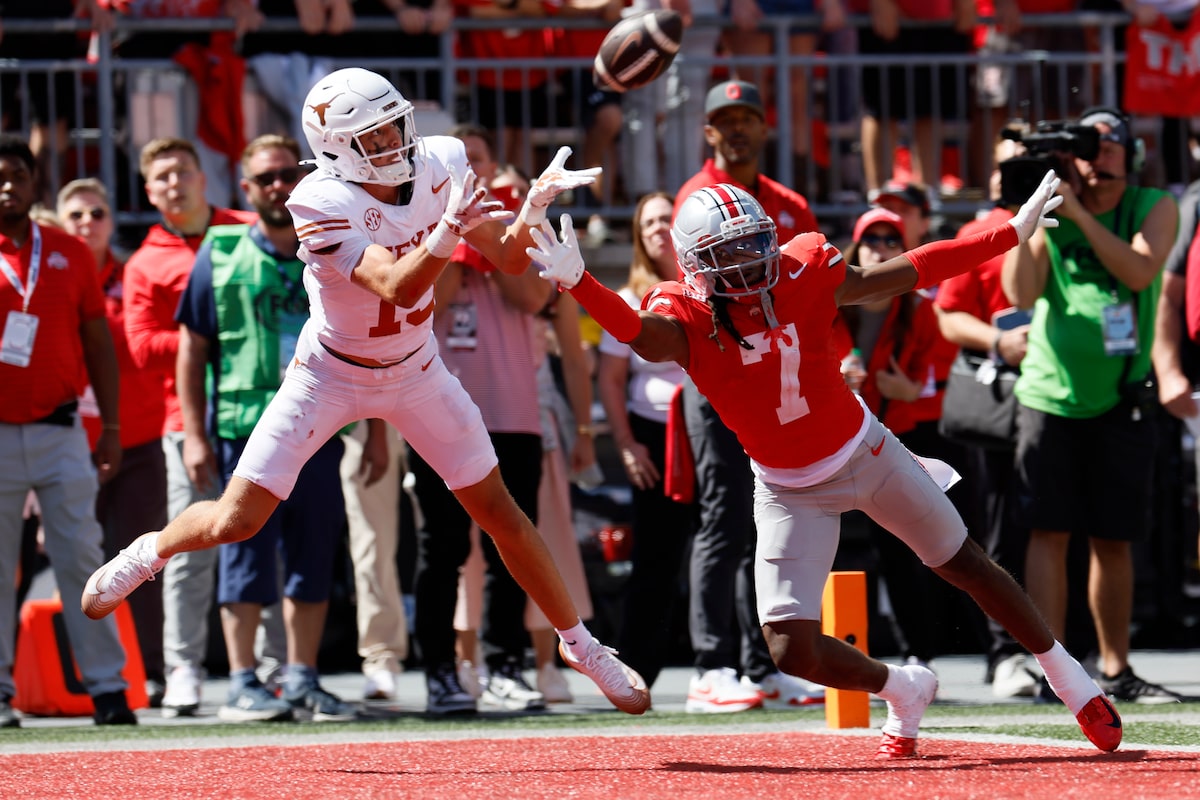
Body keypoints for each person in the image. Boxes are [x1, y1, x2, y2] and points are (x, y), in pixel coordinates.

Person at [81, 67, 651, 721]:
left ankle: (580, 643)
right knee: (236, 521)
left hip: (416, 368)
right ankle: (150, 551)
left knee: (500, 512)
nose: (390, 142)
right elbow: (398, 287)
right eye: (370, 135)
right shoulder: (318, 199)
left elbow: (511, 260)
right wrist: (445, 232)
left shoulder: (441, 159)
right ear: (332, 150)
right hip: (330, 372)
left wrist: (532, 211)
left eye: (392, 125)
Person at [528, 170, 1127, 757]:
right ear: (695, 266)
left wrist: (1007, 236)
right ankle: (902, 686)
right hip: (788, 488)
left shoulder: (805, 269)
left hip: (866, 451)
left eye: (754, 241)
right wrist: (580, 283)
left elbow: (906, 270)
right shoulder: (683, 317)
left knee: (964, 562)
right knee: (793, 652)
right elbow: (640, 334)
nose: (750, 259)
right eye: (728, 251)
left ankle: (1071, 679)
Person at [1002, 106, 1184, 703]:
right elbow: (1019, 293)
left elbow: (1139, 271)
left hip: (1121, 398)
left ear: (1129, 154)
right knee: (1047, 531)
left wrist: (1079, 211)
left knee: (1113, 537)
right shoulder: (1053, 209)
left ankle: (1115, 667)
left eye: (1107, 147)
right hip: (1048, 394)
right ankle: (1054, 668)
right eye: (1084, 147)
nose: (1094, 158)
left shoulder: (1151, 205)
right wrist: (1034, 217)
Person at [174, 134, 357, 722]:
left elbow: (373, 339)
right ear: (247, 189)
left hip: (321, 424)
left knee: (314, 552)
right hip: (243, 426)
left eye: (287, 173)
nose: (279, 185)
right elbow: (192, 348)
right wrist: (195, 435)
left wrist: (377, 431)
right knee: (242, 551)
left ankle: (302, 677)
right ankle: (243, 681)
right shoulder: (219, 252)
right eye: (266, 178)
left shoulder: (335, 243)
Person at [673, 80, 824, 711]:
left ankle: (765, 663)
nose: (736, 129)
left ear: (765, 127)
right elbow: (687, 297)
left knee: (771, 522)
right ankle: (710, 665)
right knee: (724, 520)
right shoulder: (694, 200)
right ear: (708, 132)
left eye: (746, 118)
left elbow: (815, 296)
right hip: (724, 385)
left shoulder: (790, 204)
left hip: (779, 387)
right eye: (724, 120)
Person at [414, 123, 554, 714]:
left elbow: (533, 298)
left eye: (477, 159)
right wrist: (454, 234)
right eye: (457, 160)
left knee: (511, 546)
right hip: (437, 411)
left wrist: (490, 234)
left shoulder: (513, 224)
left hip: (512, 411)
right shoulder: (421, 222)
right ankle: (441, 672)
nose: (467, 168)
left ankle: (504, 663)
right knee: (441, 549)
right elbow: (429, 299)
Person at [0, 134, 137, 728]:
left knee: (84, 557)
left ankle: (107, 689)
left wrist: (109, 424)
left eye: (18, 175)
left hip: (60, 430)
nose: (8, 185)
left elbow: (98, 341)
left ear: (36, 184)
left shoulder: (69, 251)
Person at [122, 136, 257, 718]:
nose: (174, 183)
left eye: (183, 172)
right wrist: (210, 337)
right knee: (187, 549)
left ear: (205, 177)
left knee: (264, 543)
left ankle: (272, 670)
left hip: (264, 410)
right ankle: (183, 668)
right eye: (162, 178)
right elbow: (141, 345)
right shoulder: (144, 262)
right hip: (190, 422)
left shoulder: (250, 230)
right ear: (150, 193)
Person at [58, 178, 170, 708]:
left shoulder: (136, 274)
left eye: (97, 212)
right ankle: (67, 677)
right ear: (59, 223)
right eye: (75, 214)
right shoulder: (49, 283)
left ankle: (152, 673)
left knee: (141, 564)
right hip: (65, 444)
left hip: (140, 438)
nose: (87, 222)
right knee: (70, 563)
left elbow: (145, 346)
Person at [596, 192, 692, 691]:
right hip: (653, 439)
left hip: (714, 434)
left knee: (726, 551)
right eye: (648, 221)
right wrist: (628, 445)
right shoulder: (629, 298)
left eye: (666, 219)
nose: (658, 228)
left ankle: (733, 666)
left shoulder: (708, 285)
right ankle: (636, 671)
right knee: (656, 556)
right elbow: (611, 379)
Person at [340, 416, 410, 701]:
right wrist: (376, 428)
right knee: (372, 543)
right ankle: (382, 657)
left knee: (452, 537)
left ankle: (466, 657)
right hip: (366, 412)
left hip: (439, 398)